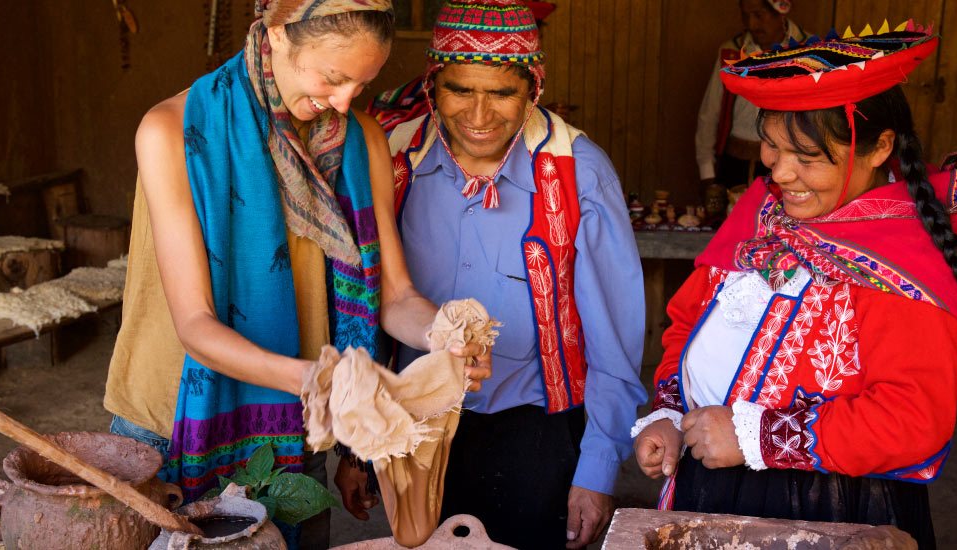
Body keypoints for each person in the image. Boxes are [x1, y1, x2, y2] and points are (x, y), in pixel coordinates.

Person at [102, 1, 490, 547]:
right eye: (333, 78)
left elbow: (396, 295)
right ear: (279, 34)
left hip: (295, 427)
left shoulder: (362, 140)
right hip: (170, 423)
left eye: (362, 83)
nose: (344, 100)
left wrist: (443, 335)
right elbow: (194, 324)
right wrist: (317, 383)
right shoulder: (173, 131)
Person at [633, 23, 957, 549]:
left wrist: (759, 437)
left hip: (827, 501)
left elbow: (912, 419)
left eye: (809, 158)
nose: (783, 174)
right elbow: (688, 320)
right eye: (772, 147)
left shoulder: (904, 253)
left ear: (880, 147)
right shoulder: (761, 207)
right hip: (708, 474)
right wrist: (671, 415)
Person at [337, 1, 647, 548]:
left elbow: (613, 339)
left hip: (537, 433)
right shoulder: (393, 156)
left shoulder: (577, 170)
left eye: (502, 93)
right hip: (416, 427)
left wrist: (597, 470)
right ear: (433, 85)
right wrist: (357, 447)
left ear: (534, 89)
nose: (478, 115)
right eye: (460, 90)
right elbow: (363, 309)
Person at [365, 1, 558, 132]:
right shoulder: (391, 136)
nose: (478, 119)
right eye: (461, 91)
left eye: (501, 94)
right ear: (432, 80)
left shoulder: (575, 161)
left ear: (534, 83)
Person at [694, 0, 808, 206]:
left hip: (789, 167)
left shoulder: (808, 49)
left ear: (780, 13)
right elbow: (709, 115)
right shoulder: (731, 52)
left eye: (758, 15)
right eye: (745, 16)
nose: (751, 25)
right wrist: (707, 174)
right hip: (734, 166)